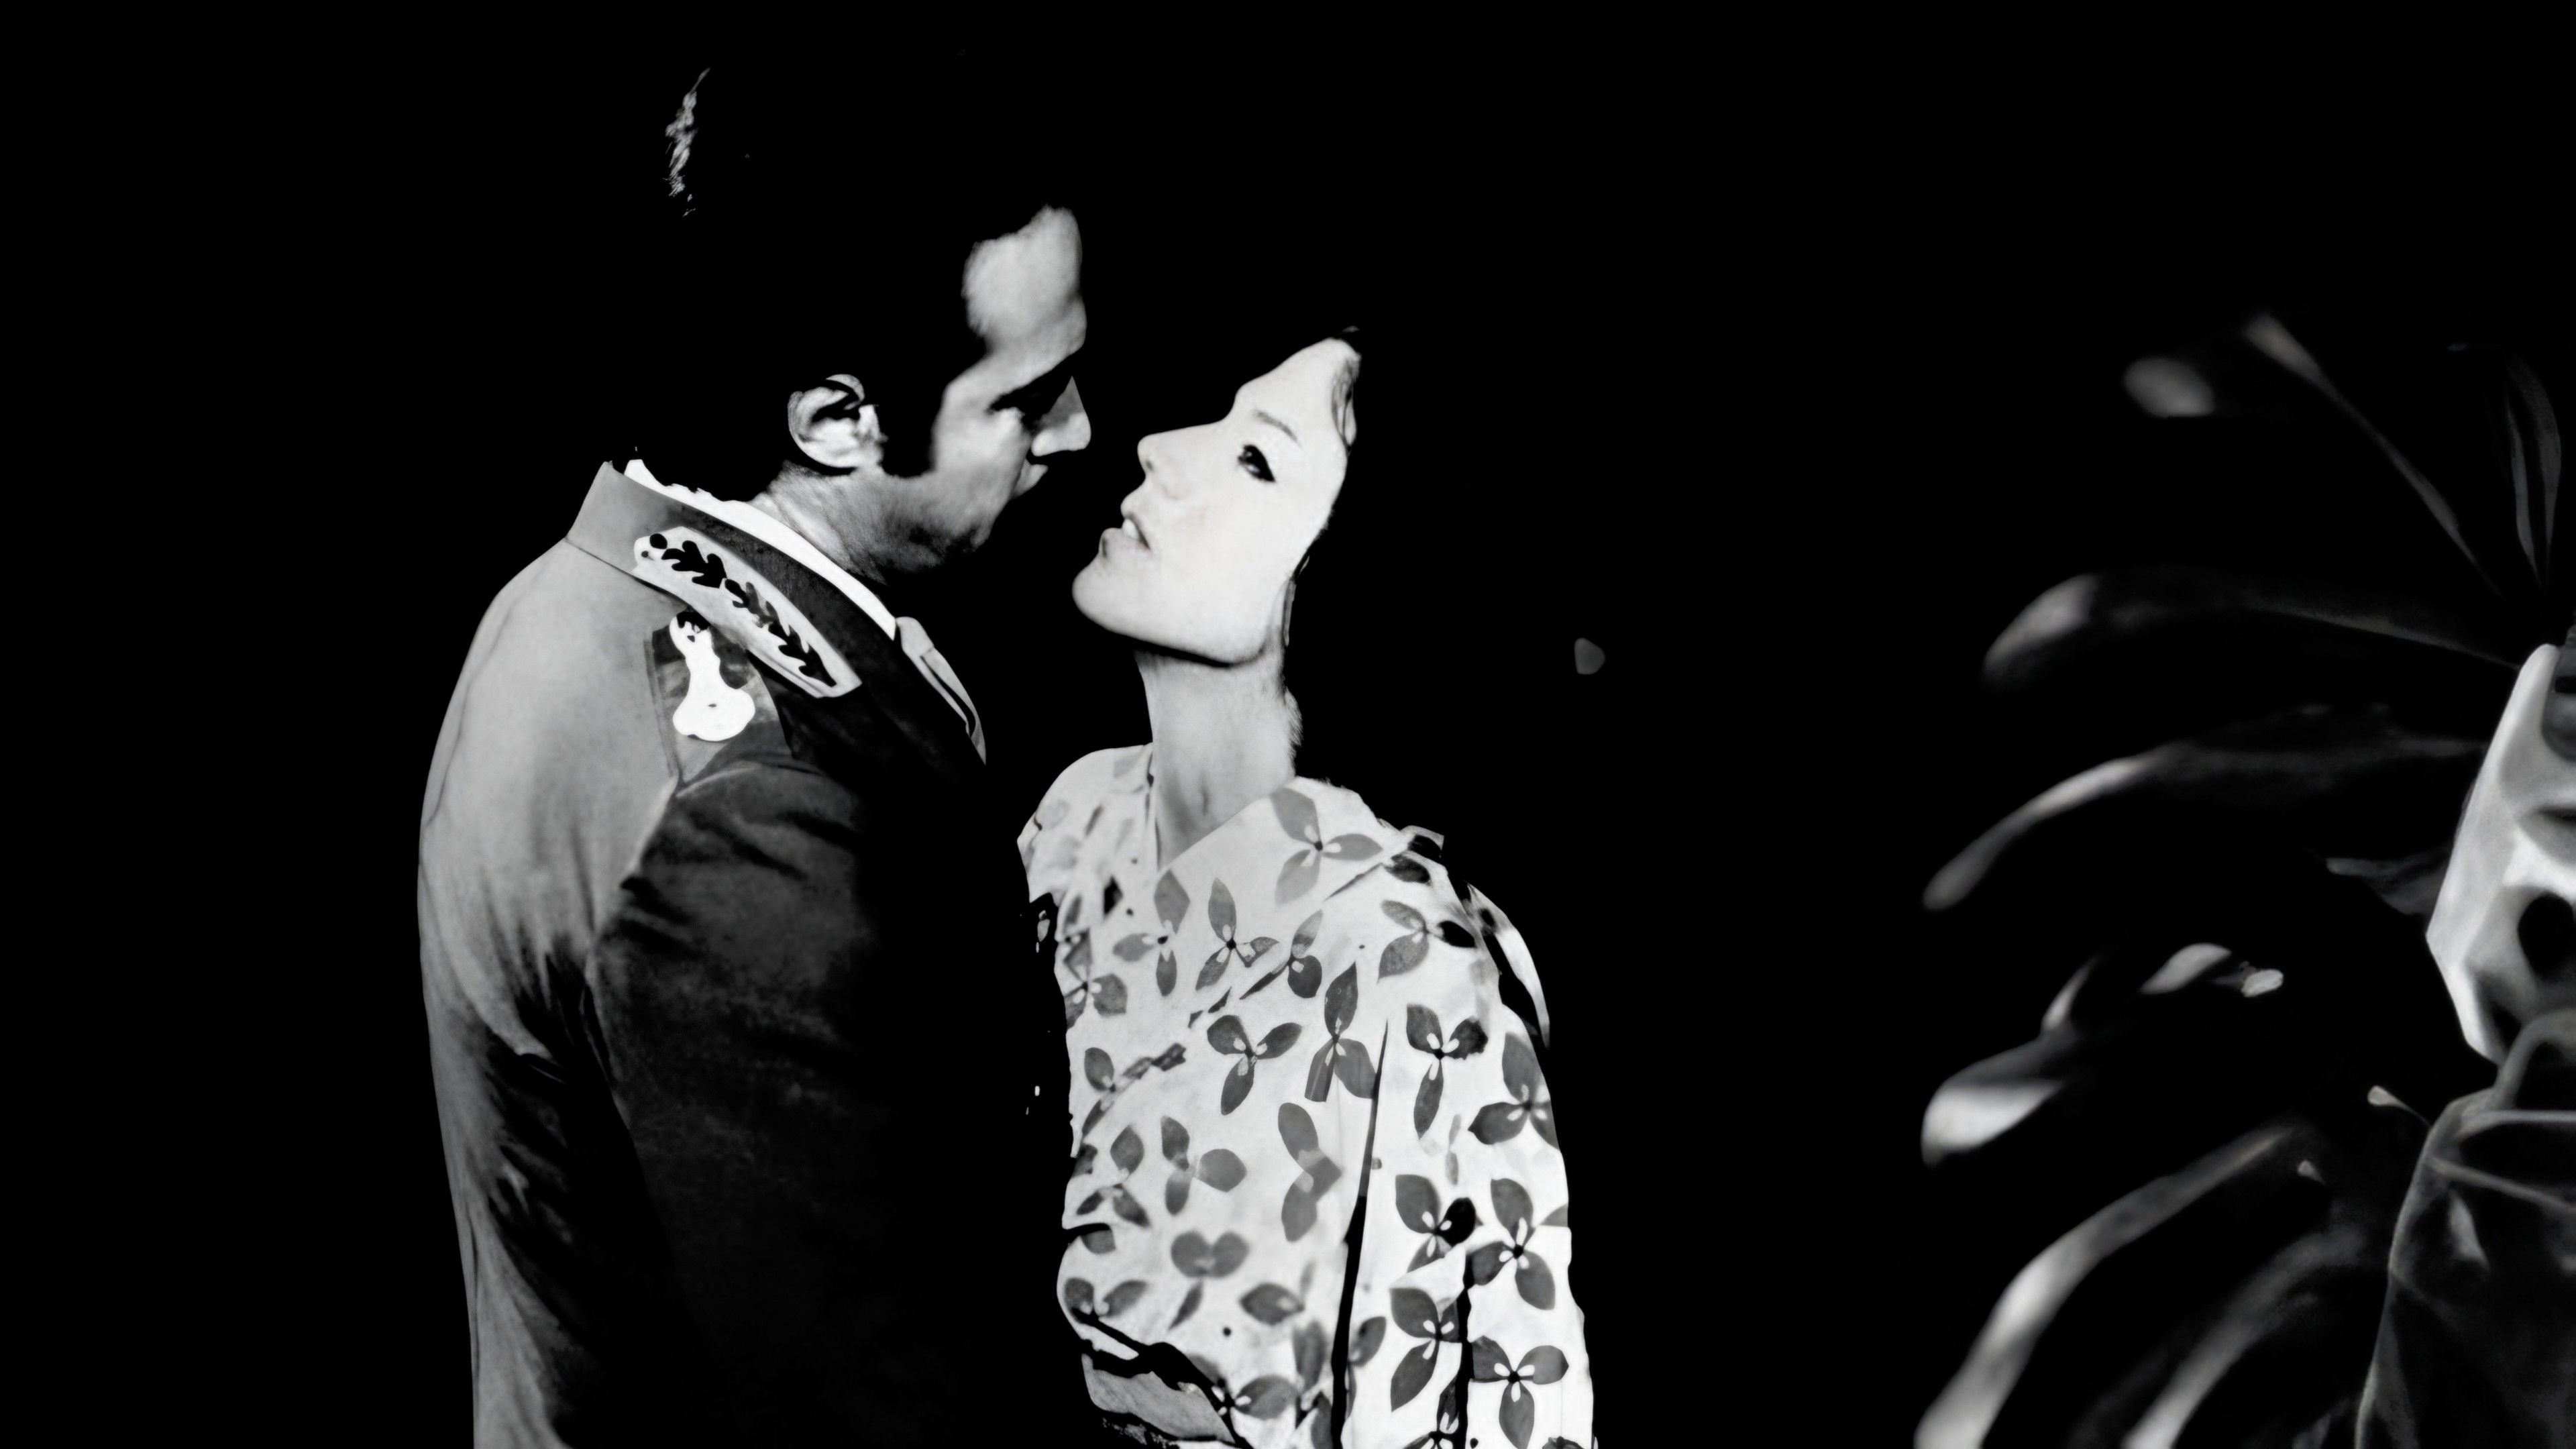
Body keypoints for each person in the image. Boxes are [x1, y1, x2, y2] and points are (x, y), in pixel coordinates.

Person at [417, 52, 1092, 1446]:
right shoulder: (746, 818)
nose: (1081, 433)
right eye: (1028, 400)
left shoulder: (579, 586)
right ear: (837, 421)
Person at [1019, 334, 1596, 1448]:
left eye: (1256, 461)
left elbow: (1486, 1397)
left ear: (1356, 575)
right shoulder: (1077, 818)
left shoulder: (1418, 966)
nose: (1159, 449)